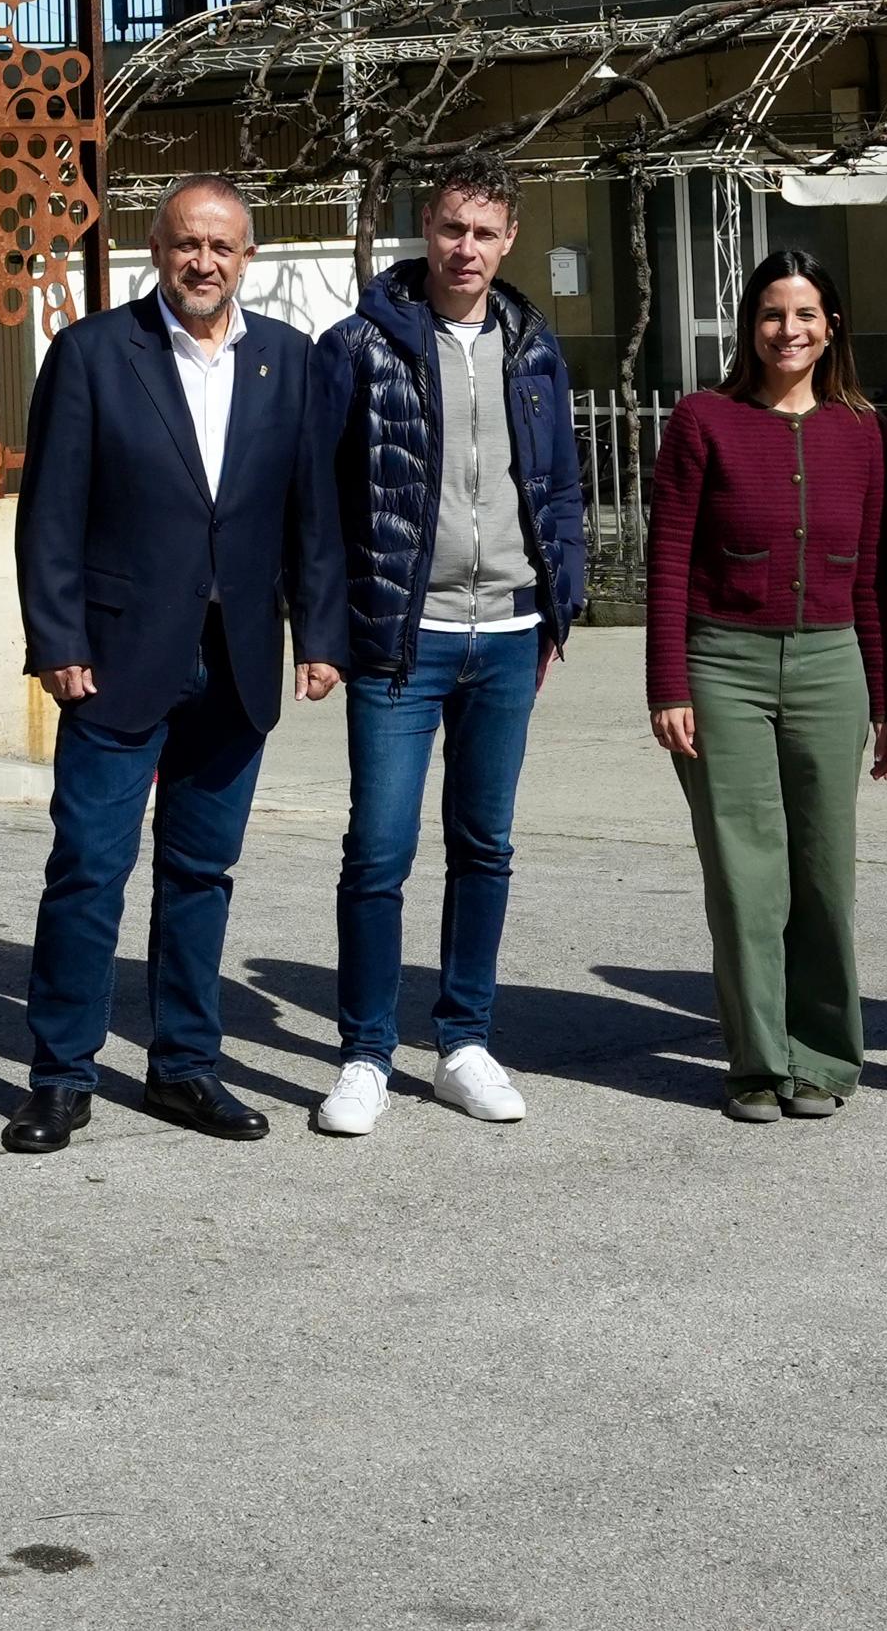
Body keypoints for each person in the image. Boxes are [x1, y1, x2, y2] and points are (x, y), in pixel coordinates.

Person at [8, 173, 343, 1152]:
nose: (203, 261)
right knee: (88, 867)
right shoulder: (91, 354)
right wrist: (57, 640)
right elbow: (50, 517)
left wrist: (319, 633)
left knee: (202, 871)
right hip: (114, 657)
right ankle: (58, 1076)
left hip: (235, 659)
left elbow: (310, 515)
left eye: (222, 246)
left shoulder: (287, 360)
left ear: (247, 258)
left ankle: (183, 1067)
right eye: (185, 242)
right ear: (155, 249)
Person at [312, 158, 584, 1137]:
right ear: (421, 228)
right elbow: (321, 497)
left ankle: (463, 1040)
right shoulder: (357, 347)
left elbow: (556, 486)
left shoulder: (531, 348)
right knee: (377, 849)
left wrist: (560, 604)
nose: (464, 247)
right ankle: (363, 1053)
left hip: (507, 632)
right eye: (448, 227)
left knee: (484, 844)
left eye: (483, 230)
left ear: (507, 236)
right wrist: (322, 626)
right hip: (400, 636)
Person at [647, 248, 887, 1122]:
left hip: (834, 664)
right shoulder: (703, 419)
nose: (788, 331)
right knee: (746, 874)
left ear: (832, 325)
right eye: (770, 314)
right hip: (724, 666)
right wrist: (667, 685)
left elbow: (874, 574)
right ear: (748, 326)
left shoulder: (861, 428)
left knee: (825, 871)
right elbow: (669, 559)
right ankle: (758, 1061)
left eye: (805, 314)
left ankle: (825, 1055)